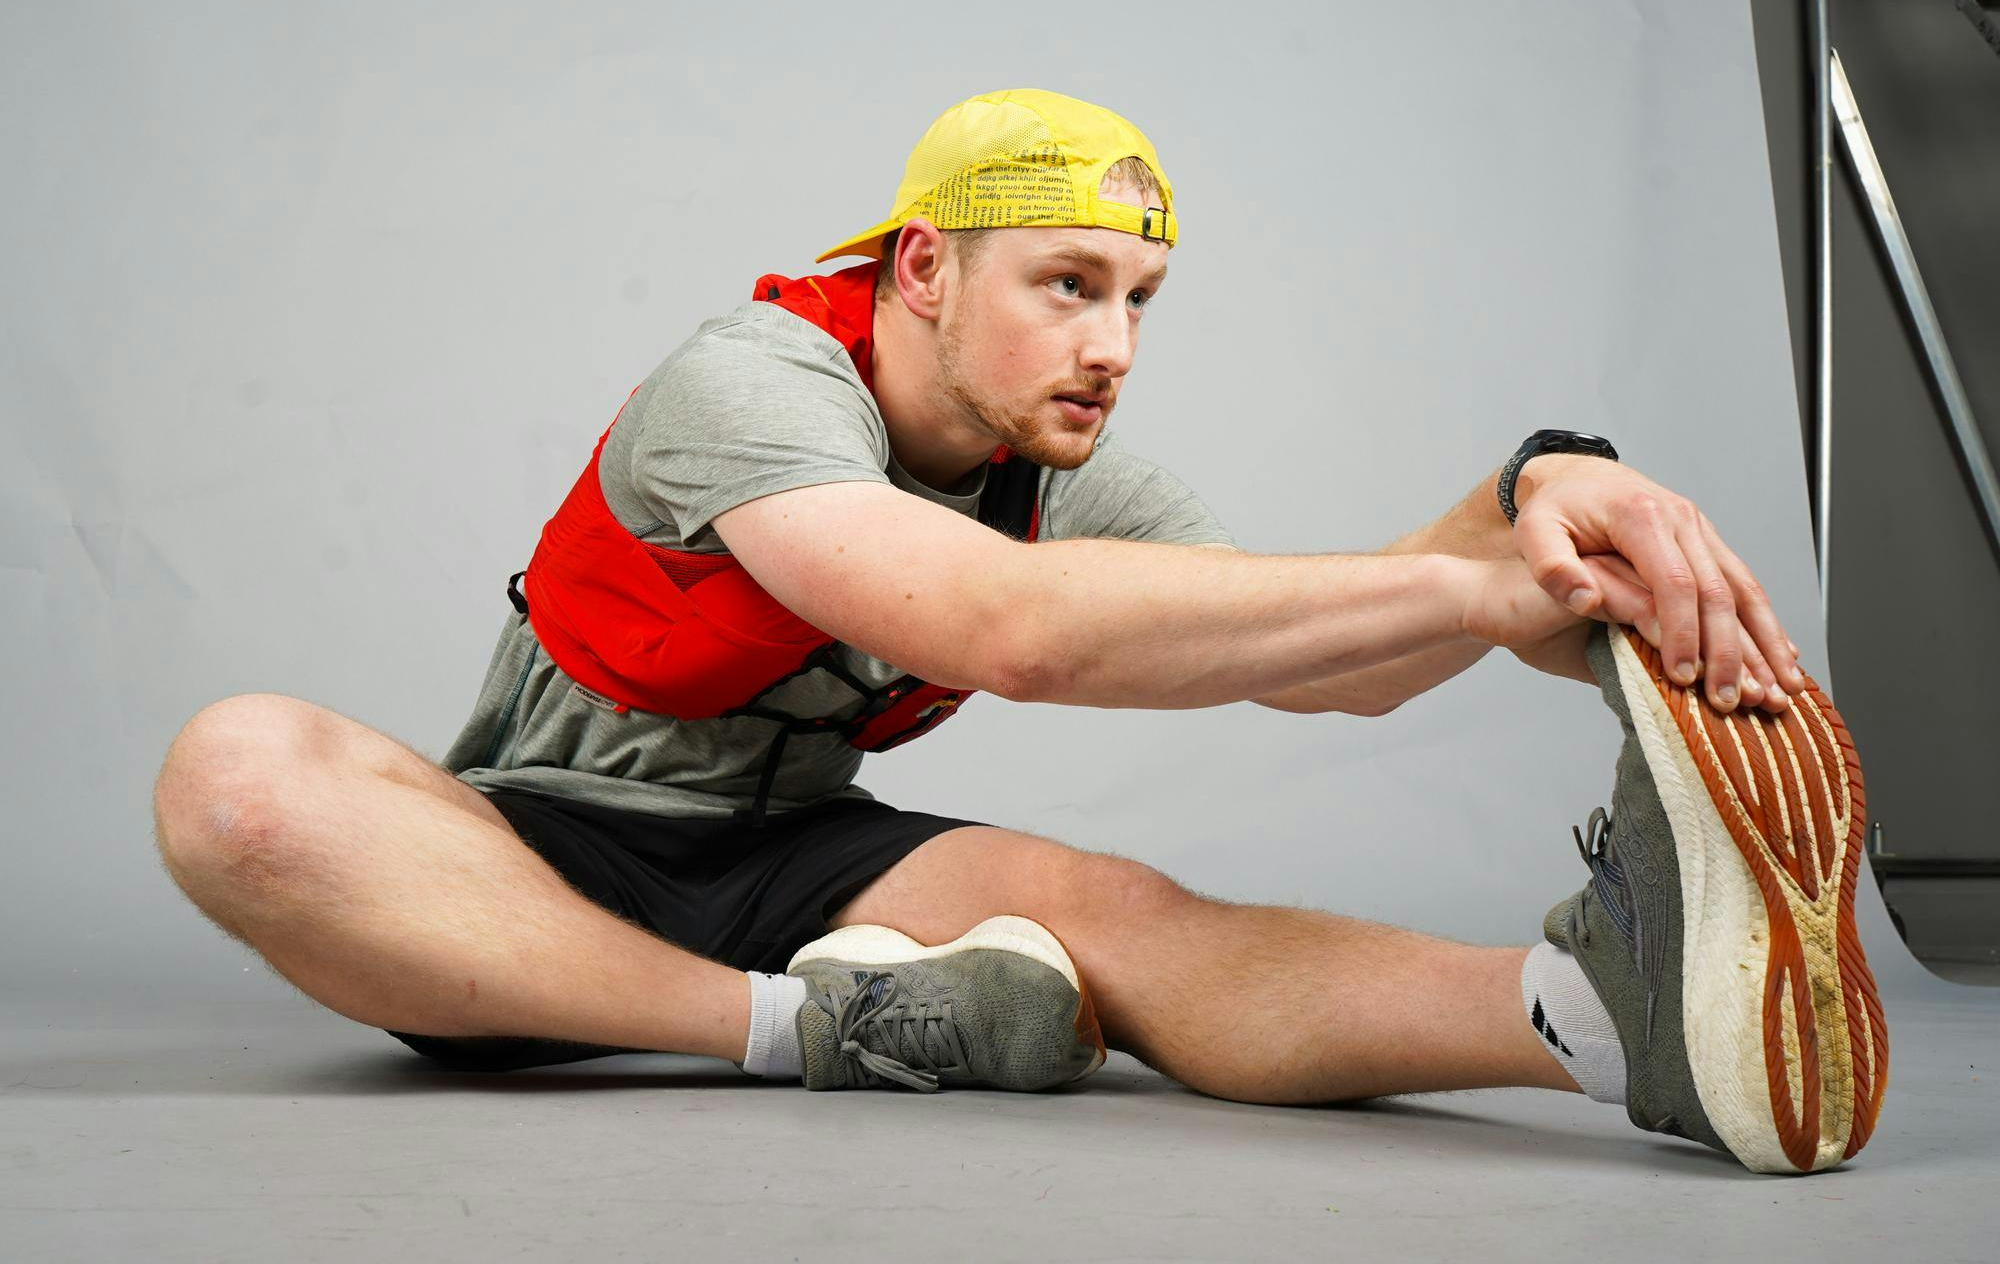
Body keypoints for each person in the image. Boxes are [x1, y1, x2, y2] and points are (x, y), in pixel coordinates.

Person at [151, 88, 1885, 1174]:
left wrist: (1537, 501)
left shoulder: (1061, 468)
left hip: (789, 853)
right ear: (921, 269)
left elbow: (1332, 658)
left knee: (1119, 916)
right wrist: (1487, 584)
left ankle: (1600, 1014)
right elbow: (1000, 629)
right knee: (241, 777)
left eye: (1138, 301)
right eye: (1067, 285)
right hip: (517, 859)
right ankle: (802, 1032)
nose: (1114, 346)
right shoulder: (745, 384)